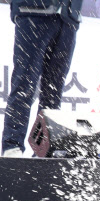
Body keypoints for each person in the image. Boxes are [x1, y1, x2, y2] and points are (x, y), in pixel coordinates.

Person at [2, 0, 82, 157]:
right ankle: (12, 147)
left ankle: (44, 150)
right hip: (32, 10)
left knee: (53, 91)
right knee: (24, 84)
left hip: (68, 17)